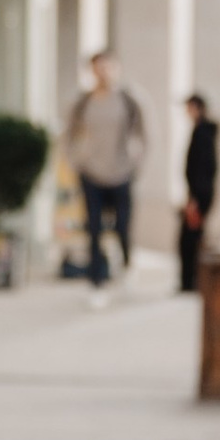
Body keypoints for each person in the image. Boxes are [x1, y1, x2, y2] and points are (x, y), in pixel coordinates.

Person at [68, 49, 147, 291]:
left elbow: (145, 134)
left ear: (117, 68)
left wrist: (137, 164)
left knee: (123, 227)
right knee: (93, 229)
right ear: (92, 71)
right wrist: (75, 162)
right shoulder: (83, 102)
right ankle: (97, 282)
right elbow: (69, 134)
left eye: (108, 67)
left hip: (121, 172)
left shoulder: (128, 100)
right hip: (91, 173)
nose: (103, 72)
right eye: (98, 67)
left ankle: (126, 265)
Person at [178, 93, 219, 293]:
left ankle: (192, 281)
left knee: (190, 239)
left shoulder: (203, 133)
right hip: (198, 194)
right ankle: (192, 280)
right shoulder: (201, 131)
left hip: (199, 195)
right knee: (192, 237)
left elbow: (203, 168)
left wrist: (195, 198)